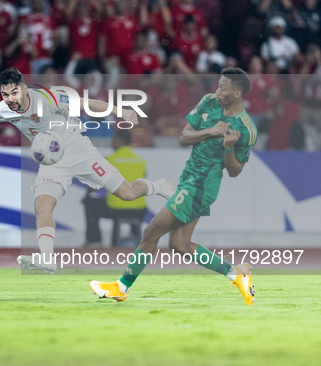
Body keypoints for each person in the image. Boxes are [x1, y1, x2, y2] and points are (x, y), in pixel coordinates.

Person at [0, 68, 175, 273]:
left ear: (23, 88)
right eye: (5, 94)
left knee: (127, 193)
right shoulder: (4, 109)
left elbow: (85, 103)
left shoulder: (47, 98)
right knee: (42, 204)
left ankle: (159, 186)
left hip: (77, 148)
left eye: (14, 92)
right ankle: (48, 259)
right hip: (51, 159)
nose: (10, 99)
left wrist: (121, 112)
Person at [90, 68, 258, 305]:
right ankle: (237, 274)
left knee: (151, 231)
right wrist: (210, 131)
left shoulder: (247, 129)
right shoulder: (208, 102)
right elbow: (183, 138)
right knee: (179, 244)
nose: (217, 91)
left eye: (223, 88)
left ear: (237, 93)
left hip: (202, 186)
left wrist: (229, 148)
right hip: (187, 179)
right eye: (218, 85)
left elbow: (235, 171)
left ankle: (121, 287)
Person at [83, 130, 147, 246]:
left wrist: (86, 196)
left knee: (90, 203)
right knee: (133, 202)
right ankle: (134, 238)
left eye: (113, 139)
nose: (112, 142)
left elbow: (94, 181)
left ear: (119, 140)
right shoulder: (140, 160)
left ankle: (95, 240)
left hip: (115, 208)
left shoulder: (109, 159)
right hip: (139, 210)